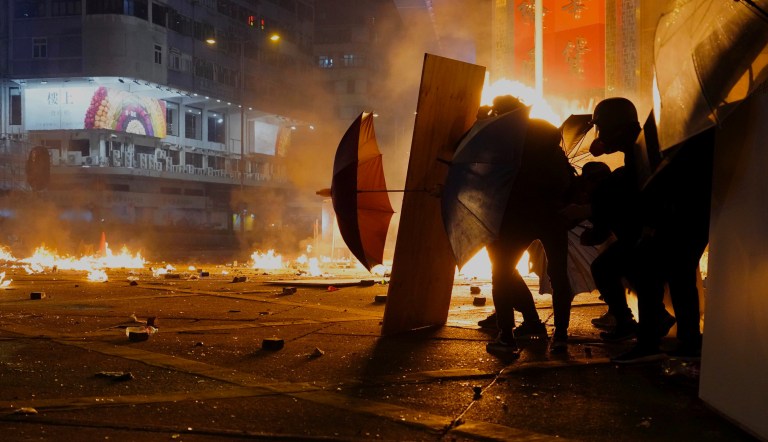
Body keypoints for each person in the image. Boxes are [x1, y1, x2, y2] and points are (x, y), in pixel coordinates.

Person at [577, 98, 674, 344]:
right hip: (650, 228)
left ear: (615, 126)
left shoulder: (638, 150)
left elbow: (635, 192)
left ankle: (637, 328)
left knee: (606, 267)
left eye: (603, 128)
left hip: (652, 230)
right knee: (630, 270)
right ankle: (654, 321)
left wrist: (597, 209)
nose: (601, 135)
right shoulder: (639, 145)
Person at [485, 95, 576, 356]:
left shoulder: (504, 139)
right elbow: (564, 177)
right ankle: (561, 336)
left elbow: (476, 162)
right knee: (558, 276)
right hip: (553, 214)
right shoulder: (548, 133)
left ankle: (506, 337)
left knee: (501, 273)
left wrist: (481, 124)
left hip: (517, 215)